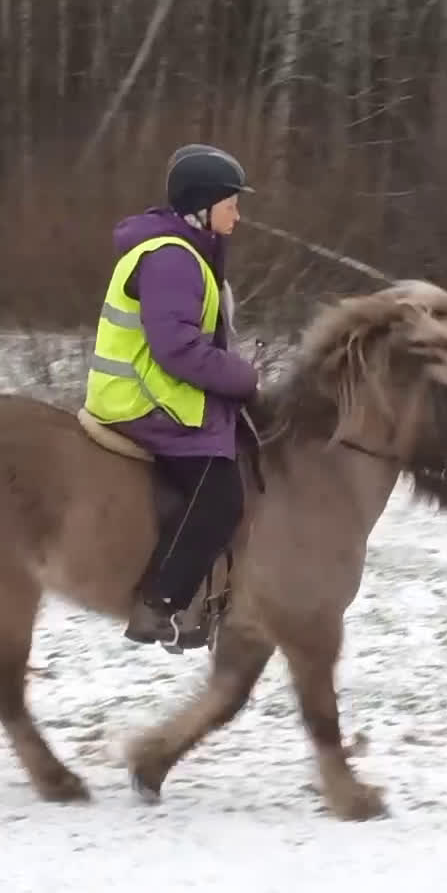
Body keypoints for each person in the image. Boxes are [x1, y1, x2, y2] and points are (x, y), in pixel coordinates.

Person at [82, 143, 260, 649]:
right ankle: (159, 603)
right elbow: (177, 350)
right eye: (232, 203)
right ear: (203, 206)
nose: (238, 214)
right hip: (142, 399)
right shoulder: (172, 259)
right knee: (220, 493)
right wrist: (241, 379)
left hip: (154, 391)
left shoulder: (185, 250)